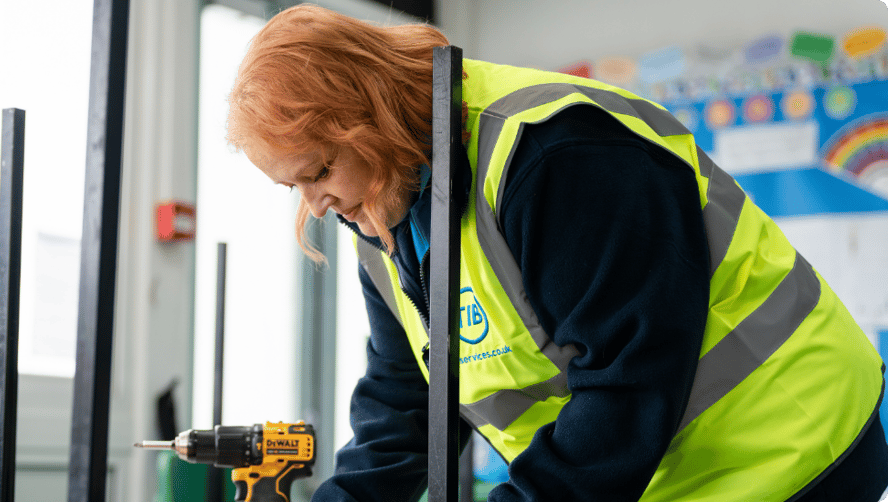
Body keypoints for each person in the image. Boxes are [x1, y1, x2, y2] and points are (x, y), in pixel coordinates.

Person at [225, 4, 888, 501]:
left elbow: (626, 382)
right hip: (665, 474)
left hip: (792, 447)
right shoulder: (382, 207)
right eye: (295, 188)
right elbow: (406, 404)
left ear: (367, 118)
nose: (313, 206)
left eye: (317, 172)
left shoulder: (557, 155)